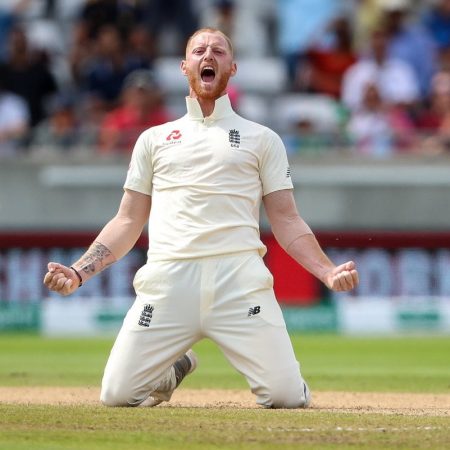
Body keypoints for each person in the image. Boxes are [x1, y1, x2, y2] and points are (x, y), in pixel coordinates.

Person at [43, 28, 359, 409]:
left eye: (218, 50)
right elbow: (127, 221)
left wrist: (327, 272)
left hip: (239, 282)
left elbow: (287, 221)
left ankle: (291, 384)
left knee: (285, 397)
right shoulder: (154, 139)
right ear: (184, 66)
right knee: (117, 396)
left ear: (232, 66)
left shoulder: (262, 138)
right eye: (199, 50)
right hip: (169, 280)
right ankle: (172, 368)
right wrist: (78, 272)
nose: (208, 55)